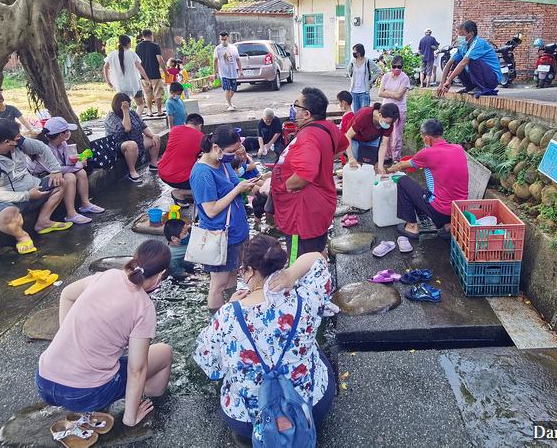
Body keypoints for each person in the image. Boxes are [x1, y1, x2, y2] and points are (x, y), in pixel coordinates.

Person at [193, 235, 335, 442]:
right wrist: (292, 273)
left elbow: (211, 367)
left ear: (250, 271)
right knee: (312, 346)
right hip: (311, 407)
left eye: (242, 270)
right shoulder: (306, 298)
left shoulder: (226, 317)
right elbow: (318, 260)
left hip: (248, 420)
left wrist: (227, 307)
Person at [36, 240, 173, 431]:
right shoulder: (143, 307)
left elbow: (67, 294)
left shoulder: (107, 275)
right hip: (84, 395)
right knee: (165, 352)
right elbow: (137, 369)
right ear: (160, 275)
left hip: (43, 382)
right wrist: (130, 417)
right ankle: (151, 396)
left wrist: (69, 339)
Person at [0, 118, 72, 255]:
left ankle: (43, 221)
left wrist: (56, 171)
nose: (20, 140)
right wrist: (27, 195)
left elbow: (42, 147)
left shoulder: (18, 143)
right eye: (17, 138)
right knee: (9, 214)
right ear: (7, 142)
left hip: (30, 191)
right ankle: (21, 236)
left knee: (60, 183)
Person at [272, 87, 349, 260]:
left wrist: (287, 186)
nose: (293, 109)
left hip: (302, 215)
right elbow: (341, 145)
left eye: (296, 105)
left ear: (306, 114)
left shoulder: (309, 136)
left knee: (299, 262)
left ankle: (308, 285)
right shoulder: (327, 126)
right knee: (317, 251)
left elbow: (306, 173)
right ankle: (323, 281)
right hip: (317, 206)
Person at [190, 125, 256, 312]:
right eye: (231, 151)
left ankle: (231, 310)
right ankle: (217, 322)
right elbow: (210, 210)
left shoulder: (224, 162)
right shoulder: (202, 173)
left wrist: (248, 185)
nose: (234, 155)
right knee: (217, 284)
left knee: (234, 272)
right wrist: (237, 190)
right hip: (220, 235)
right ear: (216, 148)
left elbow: (234, 184)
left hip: (237, 231)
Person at [386, 119, 469, 240]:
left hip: (440, 211)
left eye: (423, 137)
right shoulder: (458, 149)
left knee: (403, 182)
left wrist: (388, 170)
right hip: (459, 211)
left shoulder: (427, 153)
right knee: (438, 186)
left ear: (427, 138)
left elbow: (402, 166)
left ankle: (412, 226)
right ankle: (449, 226)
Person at [30, 117, 105, 225]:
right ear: (61, 134)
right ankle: (71, 213)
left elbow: (67, 160)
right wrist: (79, 165)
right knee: (70, 176)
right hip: (40, 177)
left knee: (81, 172)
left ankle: (85, 203)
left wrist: (76, 161)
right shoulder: (42, 148)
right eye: (67, 131)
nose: (69, 133)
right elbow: (56, 169)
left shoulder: (62, 143)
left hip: (55, 172)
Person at [104, 92, 161, 184]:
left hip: (137, 141)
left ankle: (154, 164)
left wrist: (153, 136)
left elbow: (143, 127)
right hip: (120, 145)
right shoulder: (111, 117)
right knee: (132, 145)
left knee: (156, 138)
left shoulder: (132, 113)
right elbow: (126, 128)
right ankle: (132, 172)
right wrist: (125, 112)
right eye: (127, 105)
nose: (129, 107)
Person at [439, 20, 502, 97]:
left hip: (492, 79)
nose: (459, 36)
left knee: (470, 60)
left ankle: (480, 87)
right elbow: (449, 63)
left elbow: (464, 62)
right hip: (483, 77)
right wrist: (442, 83)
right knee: (457, 61)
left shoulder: (478, 43)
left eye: (462, 33)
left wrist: (449, 80)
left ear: (471, 34)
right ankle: (470, 87)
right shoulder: (463, 48)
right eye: (459, 34)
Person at [157, 113, 204, 207]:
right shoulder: (201, 137)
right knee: (210, 182)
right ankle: (180, 193)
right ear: (200, 126)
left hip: (162, 172)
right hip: (178, 178)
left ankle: (189, 192)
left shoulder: (174, 129)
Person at [344, 102, 400, 175]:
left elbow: (383, 144)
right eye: (387, 122)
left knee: (372, 166)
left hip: (371, 140)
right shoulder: (365, 115)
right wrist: (351, 157)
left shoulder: (389, 124)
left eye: (390, 123)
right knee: (356, 165)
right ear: (380, 115)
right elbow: (348, 136)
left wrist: (380, 164)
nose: (388, 125)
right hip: (354, 139)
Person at [104, 35, 152, 115]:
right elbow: (139, 67)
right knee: (140, 105)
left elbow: (106, 67)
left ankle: (125, 120)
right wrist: (147, 79)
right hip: (134, 84)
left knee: (123, 106)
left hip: (120, 85)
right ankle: (136, 121)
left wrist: (108, 80)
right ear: (128, 43)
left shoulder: (112, 54)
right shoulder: (132, 54)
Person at [377, 55, 410, 162]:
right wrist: (394, 94)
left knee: (397, 136)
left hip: (399, 110)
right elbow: (380, 93)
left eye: (399, 67)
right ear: (390, 65)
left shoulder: (404, 78)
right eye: (394, 66)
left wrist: (386, 92)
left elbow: (399, 95)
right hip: (386, 109)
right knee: (385, 134)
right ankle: (386, 157)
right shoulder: (386, 77)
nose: (396, 69)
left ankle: (396, 158)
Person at [135, 29, 167, 117]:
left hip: (143, 75)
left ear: (143, 36)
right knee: (158, 93)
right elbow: (160, 60)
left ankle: (150, 111)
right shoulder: (155, 46)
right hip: (155, 74)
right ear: (151, 36)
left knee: (147, 94)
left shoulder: (138, 47)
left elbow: (137, 62)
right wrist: (165, 71)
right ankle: (159, 111)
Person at [212, 31, 244, 111]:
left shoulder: (233, 48)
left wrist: (241, 70)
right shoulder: (218, 49)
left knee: (233, 89)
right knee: (227, 88)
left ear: (228, 38)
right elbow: (215, 61)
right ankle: (230, 105)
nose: (223, 41)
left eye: (225, 39)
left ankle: (228, 100)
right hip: (224, 72)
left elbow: (238, 60)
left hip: (233, 72)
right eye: (222, 39)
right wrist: (215, 72)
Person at [347, 43, 382, 113]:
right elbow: (349, 72)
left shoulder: (368, 61)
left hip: (364, 91)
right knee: (356, 113)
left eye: (355, 51)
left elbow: (378, 71)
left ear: (359, 52)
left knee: (364, 113)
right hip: (354, 91)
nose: (354, 53)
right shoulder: (352, 61)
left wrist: (370, 81)